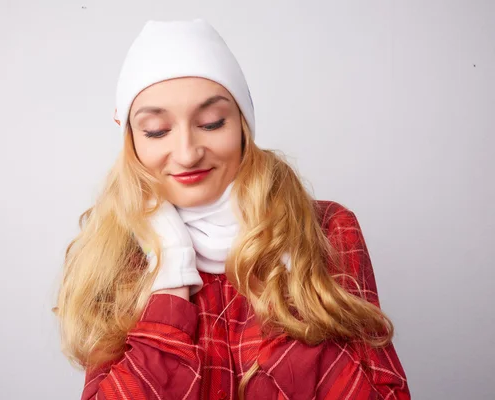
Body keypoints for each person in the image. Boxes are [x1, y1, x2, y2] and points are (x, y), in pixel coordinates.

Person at [54, 19, 410, 400]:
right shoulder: (113, 253)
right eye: (157, 130)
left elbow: (378, 392)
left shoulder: (326, 229)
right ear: (132, 142)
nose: (188, 153)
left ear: (242, 125)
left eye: (211, 123)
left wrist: (288, 277)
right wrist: (170, 276)